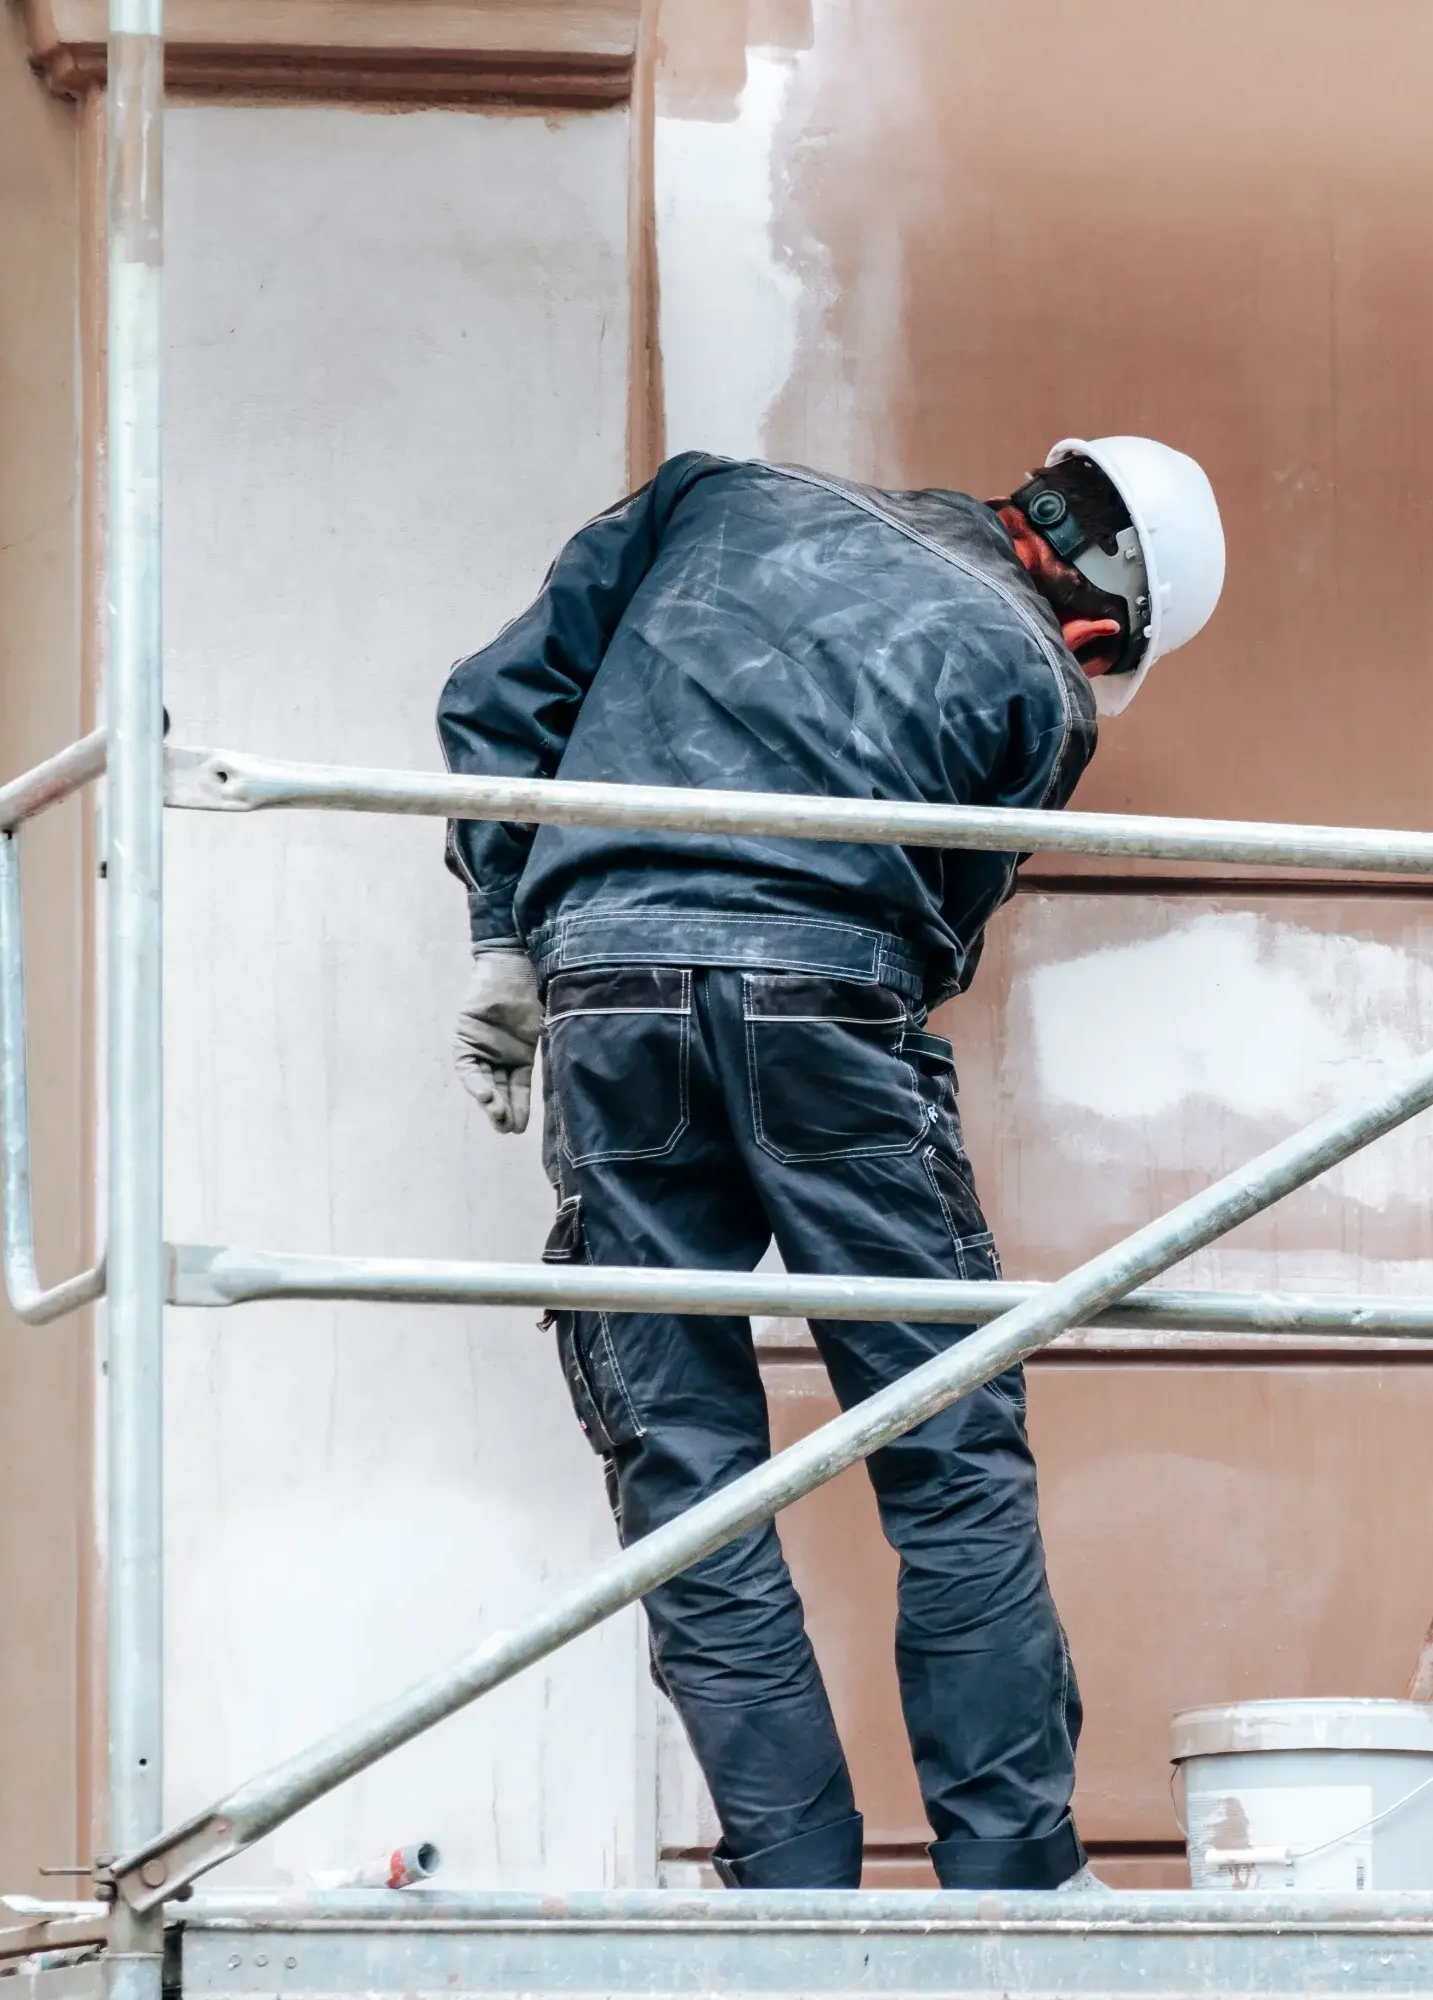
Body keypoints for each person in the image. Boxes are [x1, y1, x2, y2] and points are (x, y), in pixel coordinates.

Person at [436, 440, 1226, 1891]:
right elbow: (942, 919)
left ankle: (789, 1885)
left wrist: (505, 926)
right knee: (946, 1448)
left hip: (605, 993)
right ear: (1102, 629)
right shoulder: (1040, 689)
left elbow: (500, 697)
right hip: (830, 1001)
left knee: (686, 1461)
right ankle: (1015, 1880)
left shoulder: (714, 496)